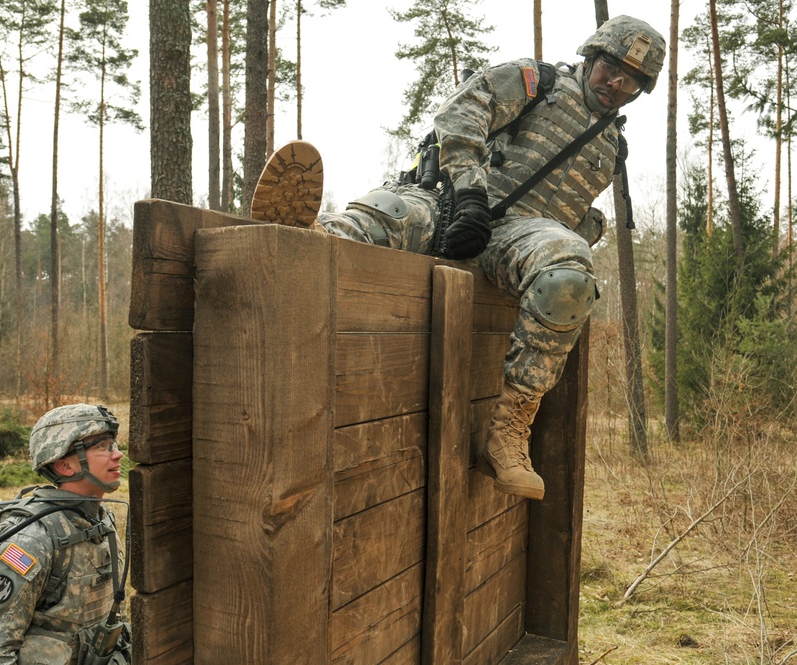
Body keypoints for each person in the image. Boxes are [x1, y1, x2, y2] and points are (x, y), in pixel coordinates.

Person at [250, 16, 666, 501]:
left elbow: (564, 224)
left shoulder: (613, 149)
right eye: (611, 68)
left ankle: (509, 431)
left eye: (631, 79)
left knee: (570, 276)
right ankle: (307, 238)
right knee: (394, 211)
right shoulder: (539, 82)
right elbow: (461, 110)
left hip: (517, 237)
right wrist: (469, 192)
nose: (616, 83)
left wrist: (577, 238)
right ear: (592, 57)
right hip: (454, 199)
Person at [0, 404, 128, 664]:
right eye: (102, 447)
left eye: (114, 445)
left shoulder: (100, 518)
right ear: (64, 465)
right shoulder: (32, 539)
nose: (117, 455)